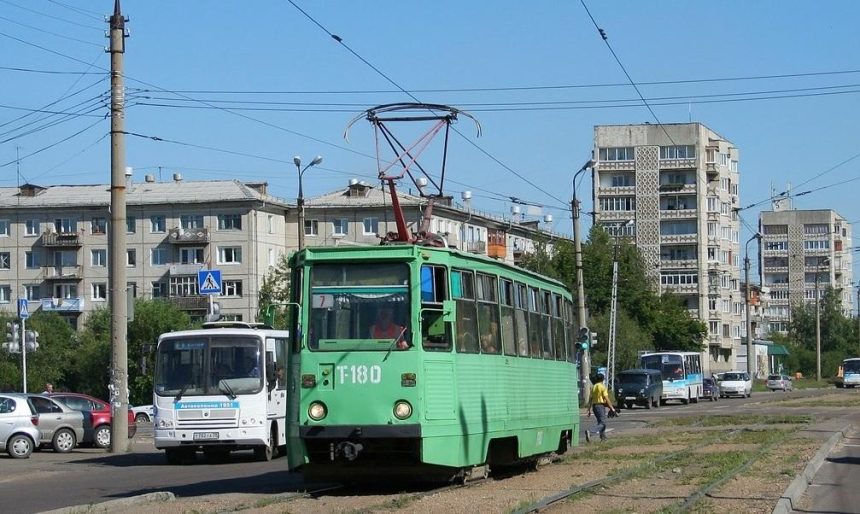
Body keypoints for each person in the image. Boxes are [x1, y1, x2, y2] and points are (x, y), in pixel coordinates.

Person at [585, 373, 616, 442]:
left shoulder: (594, 386)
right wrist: (612, 408)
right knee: (603, 423)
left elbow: (590, 399)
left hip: (594, 406)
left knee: (600, 422)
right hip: (600, 406)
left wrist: (589, 409)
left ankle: (603, 438)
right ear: (603, 379)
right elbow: (606, 398)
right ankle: (590, 431)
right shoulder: (602, 387)